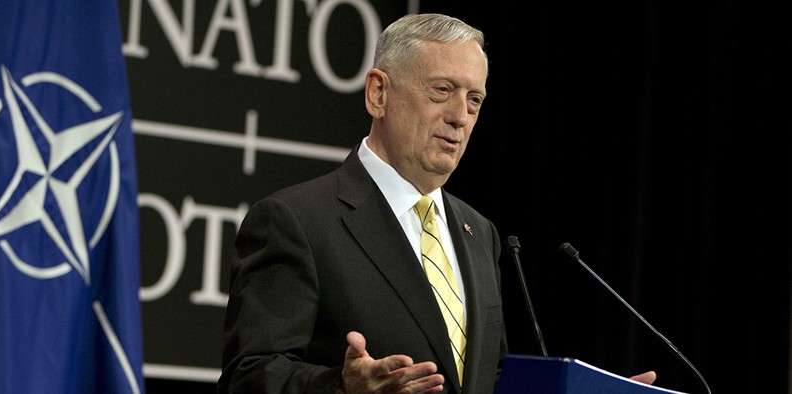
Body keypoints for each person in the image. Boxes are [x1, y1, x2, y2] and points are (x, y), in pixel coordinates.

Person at [217, 13, 656, 393]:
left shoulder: (478, 231)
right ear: (378, 94)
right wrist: (340, 387)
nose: (459, 116)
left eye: (474, 100)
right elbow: (248, 376)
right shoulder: (297, 220)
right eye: (442, 90)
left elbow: (485, 378)